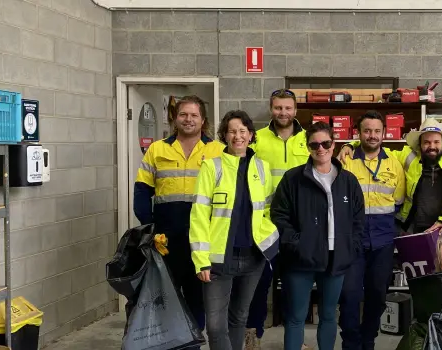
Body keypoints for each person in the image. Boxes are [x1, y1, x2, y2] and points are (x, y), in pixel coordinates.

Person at [189, 110, 280, 350]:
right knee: (216, 327)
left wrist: (268, 243)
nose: (237, 136)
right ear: (224, 135)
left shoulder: (262, 168)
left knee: (239, 318)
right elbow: (199, 215)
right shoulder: (212, 167)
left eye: (242, 131)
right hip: (217, 260)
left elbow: (269, 210)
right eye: (232, 131)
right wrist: (201, 260)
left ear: (251, 135)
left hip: (253, 258)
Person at [272, 121, 365, 350]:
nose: (320, 149)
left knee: (328, 315)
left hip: (336, 259)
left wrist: (349, 246)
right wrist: (297, 243)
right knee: (295, 317)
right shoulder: (292, 179)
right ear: (307, 147)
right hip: (300, 260)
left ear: (333, 145)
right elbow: (279, 216)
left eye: (325, 143)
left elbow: (358, 220)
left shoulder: (348, 181)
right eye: (314, 145)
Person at [133, 95, 224, 330]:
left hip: (203, 237)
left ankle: (193, 341)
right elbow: (142, 192)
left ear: (203, 120)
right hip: (166, 238)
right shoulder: (157, 149)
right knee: (167, 296)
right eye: (183, 114)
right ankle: (171, 340)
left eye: (194, 115)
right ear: (174, 118)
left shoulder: (218, 151)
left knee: (198, 296)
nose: (188, 120)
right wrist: (151, 227)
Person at [246, 88, 311, 348]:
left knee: (296, 285)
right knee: (259, 284)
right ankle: (253, 336)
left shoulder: (309, 139)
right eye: (278, 108)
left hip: (297, 225)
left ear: (295, 110)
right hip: (263, 224)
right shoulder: (257, 139)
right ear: (270, 108)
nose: (282, 112)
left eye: (287, 108)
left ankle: (296, 339)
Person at [338, 111, 406, 350]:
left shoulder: (394, 163)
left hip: (383, 241)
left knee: (377, 295)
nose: (372, 135)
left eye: (377, 131)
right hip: (351, 240)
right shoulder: (346, 160)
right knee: (349, 295)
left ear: (384, 133)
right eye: (367, 131)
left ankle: (369, 341)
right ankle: (350, 343)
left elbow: (398, 200)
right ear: (358, 133)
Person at [337, 118, 442, 236]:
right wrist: (349, 145)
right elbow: (374, 147)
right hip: (414, 226)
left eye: (436, 142)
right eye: (426, 142)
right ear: (419, 145)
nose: (432, 146)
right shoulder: (407, 157)